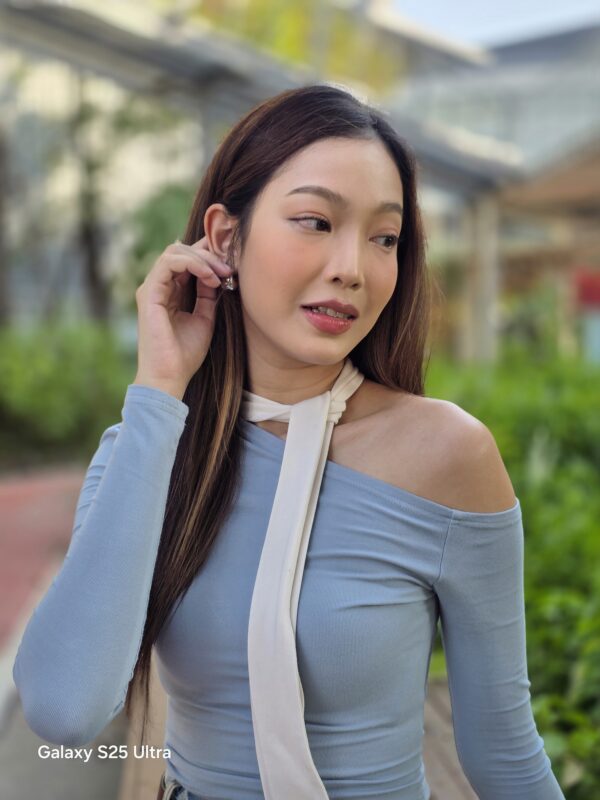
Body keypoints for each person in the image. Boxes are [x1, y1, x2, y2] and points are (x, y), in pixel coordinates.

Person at [12, 84, 565, 800]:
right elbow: (64, 710)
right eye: (315, 221)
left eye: (385, 238)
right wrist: (158, 392)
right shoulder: (146, 451)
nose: (352, 268)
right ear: (224, 238)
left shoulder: (447, 456)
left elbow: (504, 752)